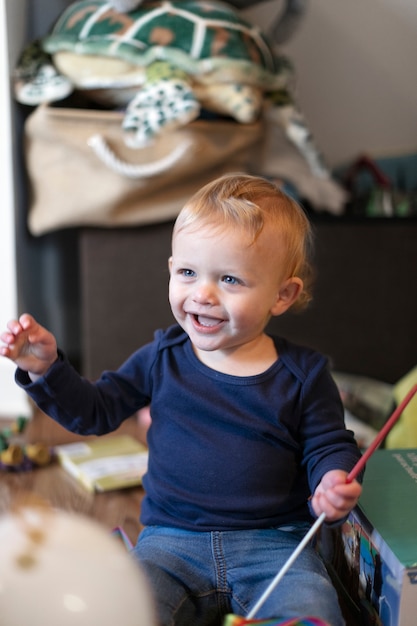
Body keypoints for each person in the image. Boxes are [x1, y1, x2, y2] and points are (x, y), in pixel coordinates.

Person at [1, 173, 362, 626]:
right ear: (172, 269)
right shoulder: (162, 356)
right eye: (189, 273)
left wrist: (332, 479)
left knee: (314, 608)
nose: (203, 294)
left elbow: (328, 443)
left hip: (273, 544)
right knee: (129, 608)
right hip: (169, 541)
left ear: (282, 295)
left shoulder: (305, 374)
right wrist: (45, 369)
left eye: (230, 279)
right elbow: (95, 410)